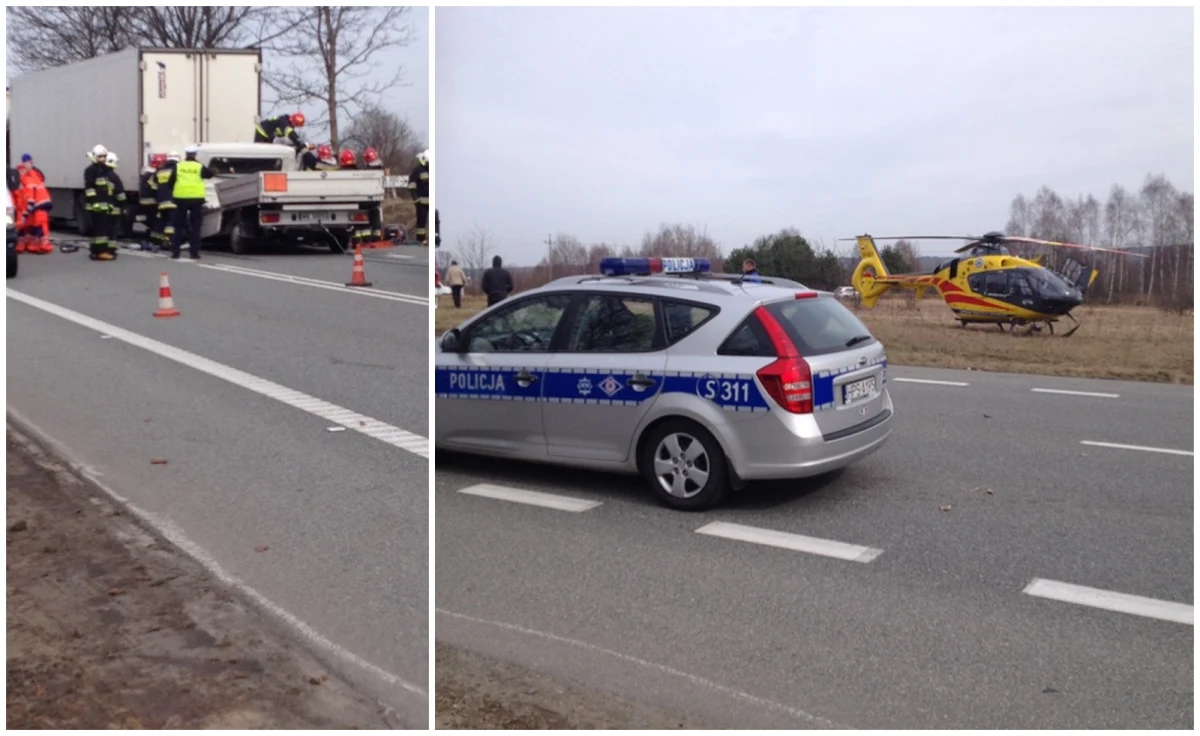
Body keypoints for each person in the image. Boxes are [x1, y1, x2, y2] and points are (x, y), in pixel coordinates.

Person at [163, 144, 215, 260]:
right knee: (196, 226)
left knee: (179, 226)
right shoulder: (198, 166)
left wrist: (175, 190)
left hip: (181, 199)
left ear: (186, 155)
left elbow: (171, 182)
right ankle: (194, 253)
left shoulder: (179, 166)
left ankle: (175, 252)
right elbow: (210, 175)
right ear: (194, 155)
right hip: (196, 199)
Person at [83, 144, 123, 261]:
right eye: (100, 156)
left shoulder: (104, 170)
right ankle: (100, 252)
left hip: (104, 205)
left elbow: (107, 189)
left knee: (101, 230)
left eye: (104, 156)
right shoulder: (90, 170)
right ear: (95, 156)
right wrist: (94, 202)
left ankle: (96, 251)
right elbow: (89, 188)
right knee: (100, 230)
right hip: (95, 205)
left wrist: (109, 203)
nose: (103, 159)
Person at [153, 151, 180, 249]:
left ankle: (160, 241)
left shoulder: (160, 170)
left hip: (161, 201)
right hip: (173, 201)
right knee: (171, 223)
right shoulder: (178, 169)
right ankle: (170, 241)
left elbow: (154, 185)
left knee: (163, 221)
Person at [21, 176, 53, 253]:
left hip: (40, 204)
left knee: (40, 225)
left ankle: (44, 246)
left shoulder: (27, 182)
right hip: (41, 204)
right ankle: (36, 246)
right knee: (36, 225)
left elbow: (30, 201)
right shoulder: (30, 179)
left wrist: (24, 216)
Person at [362, 147, 384, 243]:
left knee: (366, 215)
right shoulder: (380, 166)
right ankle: (376, 237)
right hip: (376, 198)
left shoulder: (367, 169)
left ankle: (366, 239)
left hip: (366, 198)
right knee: (375, 215)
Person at [408, 149, 430, 246]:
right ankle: (420, 240)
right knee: (421, 223)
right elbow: (412, 185)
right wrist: (415, 198)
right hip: (421, 202)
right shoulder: (418, 170)